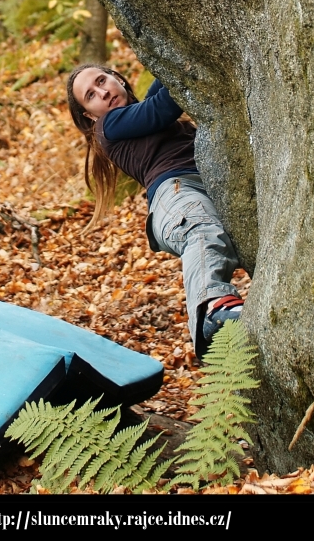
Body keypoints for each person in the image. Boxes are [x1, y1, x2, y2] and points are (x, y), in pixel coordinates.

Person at [66, 64, 244, 359]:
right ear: (90, 114)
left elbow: (164, 76)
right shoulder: (109, 125)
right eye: (91, 95)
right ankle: (210, 311)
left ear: (118, 78)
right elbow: (163, 106)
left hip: (206, 187)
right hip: (174, 194)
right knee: (200, 230)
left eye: (102, 80)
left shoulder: (137, 112)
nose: (103, 91)